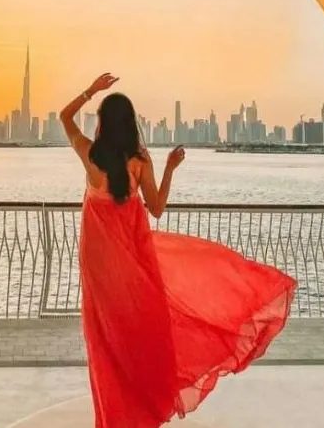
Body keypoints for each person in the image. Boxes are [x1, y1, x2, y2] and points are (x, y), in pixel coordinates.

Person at [61, 73, 296, 428]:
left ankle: (112, 418)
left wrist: (91, 91)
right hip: (134, 267)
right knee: (140, 333)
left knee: (105, 340)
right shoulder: (140, 161)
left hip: (99, 268)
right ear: (131, 124)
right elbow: (155, 209)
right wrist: (170, 168)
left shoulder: (89, 154)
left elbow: (64, 117)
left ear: (103, 123)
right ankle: (142, 407)